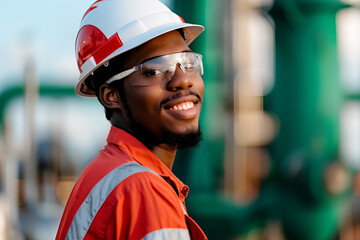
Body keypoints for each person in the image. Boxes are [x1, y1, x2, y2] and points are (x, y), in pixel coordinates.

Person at [56, 0, 207, 239]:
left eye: (188, 63)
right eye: (154, 70)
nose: (183, 79)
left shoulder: (105, 174)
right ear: (111, 96)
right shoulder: (143, 190)